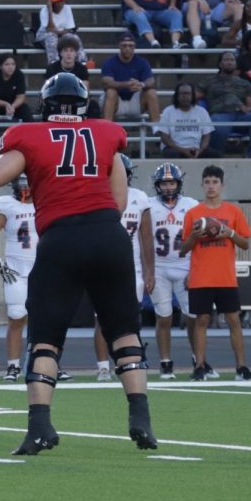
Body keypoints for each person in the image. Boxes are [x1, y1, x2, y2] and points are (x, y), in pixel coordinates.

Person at [0, 73, 156, 456]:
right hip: (109, 236)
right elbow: (119, 201)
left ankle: (40, 426)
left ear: (48, 105)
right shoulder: (109, 134)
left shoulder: (29, 135)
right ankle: (141, 417)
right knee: (124, 332)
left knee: (45, 336)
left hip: (62, 238)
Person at [0, 175, 72, 383]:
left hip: (45, 271)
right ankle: (13, 366)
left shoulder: (47, 202)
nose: (26, 187)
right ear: (13, 184)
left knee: (50, 321)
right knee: (16, 317)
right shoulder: (7, 205)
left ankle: (50, 364)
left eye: (29, 182)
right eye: (21, 183)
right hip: (16, 272)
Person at [180, 165, 251, 381]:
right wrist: (195, 236)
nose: (211, 186)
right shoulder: (194, 213)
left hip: (225, 277)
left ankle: (241, 367)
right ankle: (200, 366)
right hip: (201, 277)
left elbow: (245, 243)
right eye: (207, 182)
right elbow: (183, 248)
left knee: (233, 320)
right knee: (202, 320)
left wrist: (229, 232)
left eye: (215, 182)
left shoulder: (233, 211)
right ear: (202, 185)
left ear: (222, 185)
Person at [93, 154, 153, 381]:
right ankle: (102, 367)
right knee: (101, 318)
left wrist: (150, 271)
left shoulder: (139, 198)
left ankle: (130, 360)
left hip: (132, 266)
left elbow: (146, 238)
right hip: (103, 264)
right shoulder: (97, 196)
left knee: (130, 318)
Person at [147, 163, 201, 379]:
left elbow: (197, 240)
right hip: (159, 267)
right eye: (164, 183)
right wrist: (148, 270)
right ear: (157, 185)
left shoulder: (191, 205)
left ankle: (199, 359)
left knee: (193, 317)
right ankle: (165, 362)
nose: (168, 187)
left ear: (178, 183)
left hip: (185, 265)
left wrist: (195, 269)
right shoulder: (148, 205)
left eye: (171, 182)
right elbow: (144, 241)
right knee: (164, 317)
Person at [199, 51, 251, 157]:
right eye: (226, 60)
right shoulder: (209, 81)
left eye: (232, 60)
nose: (229, 62)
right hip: (220, 115)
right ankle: (216, 155)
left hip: (240, 115)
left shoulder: (244, 83)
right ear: (220, 64)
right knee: (219, 127)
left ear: (236, 64)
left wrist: (248, 109)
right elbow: (194, 96)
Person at [0, 53, 33, 156]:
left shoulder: (19, 75)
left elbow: (21, 97)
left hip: (12, 103)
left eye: (13, 64)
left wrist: (13, 106)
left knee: (25, 110)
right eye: (7, 64)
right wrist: (5, 104)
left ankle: (33, 141)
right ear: (0, 66)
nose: (10, 67)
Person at [101, 33, 160, 122]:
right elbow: (106, 82)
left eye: (130, 46)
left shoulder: (142, 62)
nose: (127, 48)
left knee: (151, 92)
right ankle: (106, 131)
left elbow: (151, 80)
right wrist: (127, 84)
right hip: (116, 102)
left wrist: (141, 84)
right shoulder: (110, 62)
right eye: (124, 45)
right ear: (119, 46)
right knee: (110, 92)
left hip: (135, 102)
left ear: (134, 46)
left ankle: (157, 130)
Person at [43, 35, 102, 119]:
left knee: (93, 106)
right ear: (60, 53)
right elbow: (47, 91)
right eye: (65, 50)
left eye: (72, 51)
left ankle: (93, 130)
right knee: (48, 105)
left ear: (76, 53)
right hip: (58, 100)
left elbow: (85, 91)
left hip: (76, 101)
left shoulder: (82, 69)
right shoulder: (52, 68)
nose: (68, 54)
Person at [156, 82, 219, 158]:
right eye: (181, 94)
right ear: (177, 96)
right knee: (171, 154)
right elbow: (165, 139)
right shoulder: (168, 111)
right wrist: (183, 150)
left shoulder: (202, 111)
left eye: (187, 93)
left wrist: (200, 150)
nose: (184, 96)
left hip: (196, 149)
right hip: (175, 148)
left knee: (216, 155)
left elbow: (206, 137)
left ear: (193, 95)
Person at [37, 0, 85, 65]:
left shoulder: (67, 8)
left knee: (75, 38)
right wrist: (50, 12)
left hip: (62, 34)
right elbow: (49, 29)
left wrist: (59, 32)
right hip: (45, 36)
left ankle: (82, 62)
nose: (60, 4)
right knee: (51, 37)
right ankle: (54, 63)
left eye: (62, 1)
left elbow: (69, 28)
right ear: (52, 2)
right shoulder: (44, 10)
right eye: (58, 1)